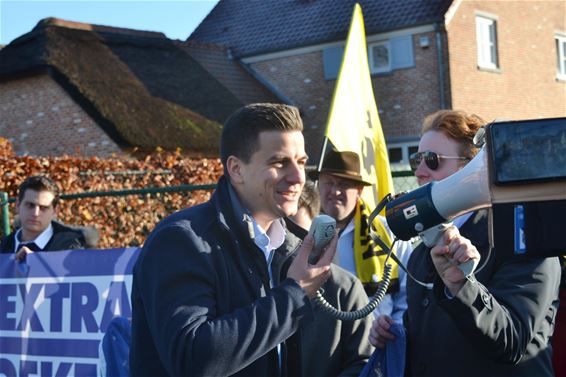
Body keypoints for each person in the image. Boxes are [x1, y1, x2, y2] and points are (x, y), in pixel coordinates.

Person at [130, 103, 373, 376]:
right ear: (236, 169)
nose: (297, 178)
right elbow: (192, 359)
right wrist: (295, 294)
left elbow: (358, 359)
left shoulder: (298, 249)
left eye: (301, 162)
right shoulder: (180, 241)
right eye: (279, 163)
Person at [370, 110, 560, 376]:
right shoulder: (422, 252)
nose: (420, 172)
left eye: (432, 160)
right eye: (416, 160)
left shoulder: (526, 238)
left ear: (471, 165)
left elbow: (513, 341)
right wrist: (395, 334)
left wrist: (462, 287)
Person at [312, 150, 413, 323]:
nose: (335, 191)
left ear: (359, 191)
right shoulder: (302, 234)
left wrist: (392, 329)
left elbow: (408, 295)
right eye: (329, 183)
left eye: (343, 185)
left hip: (378, 343)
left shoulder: (388, 233)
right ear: (318, 186)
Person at [0, 175, 93, 260]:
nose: (35, 213)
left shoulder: (70, 249)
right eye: (30, 205)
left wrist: (37, 265)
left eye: (43, 208)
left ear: (55, 211)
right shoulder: (3, 246)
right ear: (17, 205)